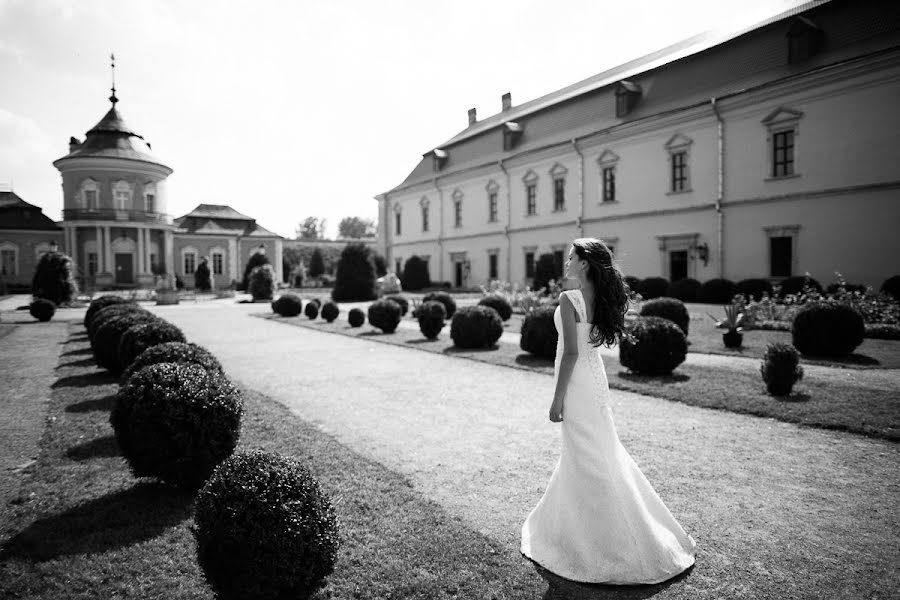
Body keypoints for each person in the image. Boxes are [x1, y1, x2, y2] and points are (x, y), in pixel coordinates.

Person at [521, 238, 696, 584]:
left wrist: (557, 399)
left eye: (572, 257)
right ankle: (585, 527)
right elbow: (588, 348)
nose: (567, 262)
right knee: (598, 451)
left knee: (588, 455)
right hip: (595, 379)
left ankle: (603, 541)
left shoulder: (568, 299)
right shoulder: (601, 297)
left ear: (585, 263)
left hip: (577, 383)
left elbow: (570, 353)